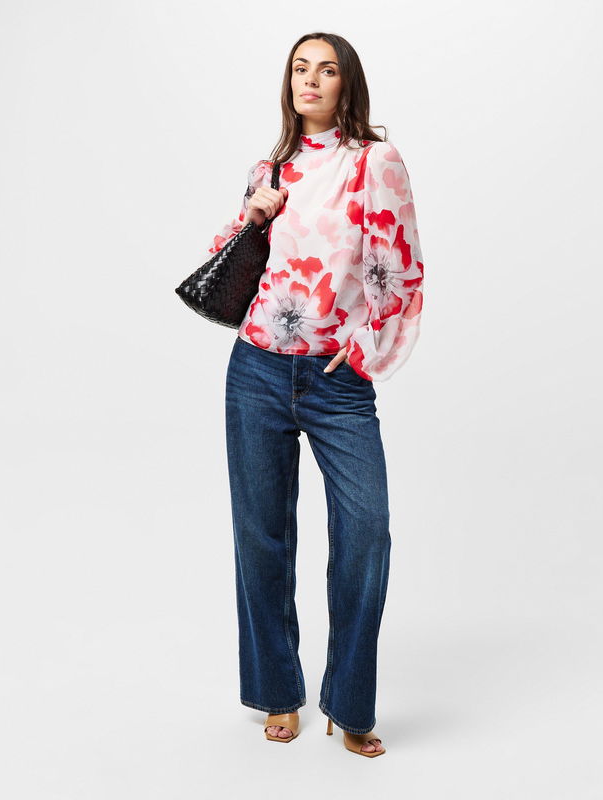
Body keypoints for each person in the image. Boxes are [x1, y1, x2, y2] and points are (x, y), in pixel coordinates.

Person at [209, 32, 424, 758]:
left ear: (345, 83)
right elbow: (224, 263)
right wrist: (253, 213)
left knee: (367, 531)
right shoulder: (269, 168)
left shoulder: (374, 162)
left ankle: (349, 702)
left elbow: (402, 267)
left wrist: (365, 348)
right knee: (260, 536)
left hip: (338, 382)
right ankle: (278, 691)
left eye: (326, 70)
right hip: (258, 371)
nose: (311, 80)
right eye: (300, 68)